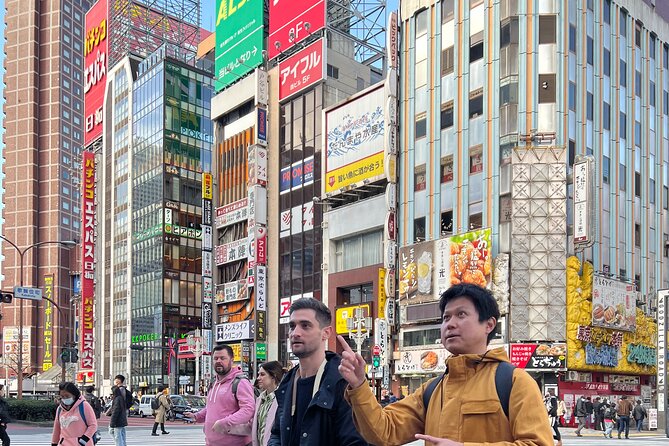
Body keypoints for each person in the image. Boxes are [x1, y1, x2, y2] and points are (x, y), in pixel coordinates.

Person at [338, 283, 554, 446]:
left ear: (489, 324)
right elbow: (383, 432)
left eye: (461, 314)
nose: (450, 324)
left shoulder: (514, 381)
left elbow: (537, 443)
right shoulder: (431, 390)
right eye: (445, 317)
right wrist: (359, 385)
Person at [268, 297, 369, 446]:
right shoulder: (287, 382)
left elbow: (355, 442)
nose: (295, 333)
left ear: (326, 333)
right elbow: (277, 434)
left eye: (305, 326)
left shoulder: (343, 381)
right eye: (292, 326)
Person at [186, 344, 255, 446]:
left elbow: (248, 409)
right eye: (216, 358)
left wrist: (224, 423)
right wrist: (197, 416)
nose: (218, 361)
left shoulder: (240, 382)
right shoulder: (214, 383)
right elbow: (212, 407)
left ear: (231, 360)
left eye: (223, 358)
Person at [51, 382, 98, 446]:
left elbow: (93, 425)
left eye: (67, 396)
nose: (64, 398)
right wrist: (54, 443)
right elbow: (57, 428)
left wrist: (83, 440)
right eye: (62, 396)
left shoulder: (84, 406)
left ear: (74, 395)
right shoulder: (60, 409)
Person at [252, 361, 284, 446]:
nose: (258, 378)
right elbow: (256, 427)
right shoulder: (260, 400)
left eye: (262, 374)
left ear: (273, 376)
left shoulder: (282, 399)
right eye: (258, 374)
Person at [107, 374, 132, 446]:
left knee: (115, 433)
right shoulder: (124, 390)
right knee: (121, 432)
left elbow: (116, 407)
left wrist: (112, 420)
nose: (111, 395)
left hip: (119, 415)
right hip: (123, 414)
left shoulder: (119, 393)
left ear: (118, 381)